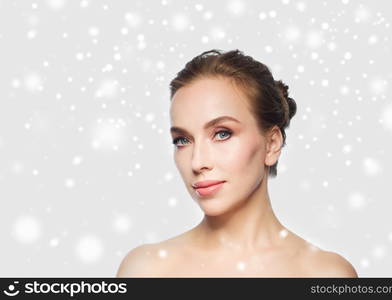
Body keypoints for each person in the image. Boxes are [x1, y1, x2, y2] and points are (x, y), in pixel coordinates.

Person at [116, 49, 358, 277]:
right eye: (182, 140)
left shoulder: (325, 274)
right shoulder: (146, 270)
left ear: (272, 144)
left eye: (222, 133)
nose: (197, 162)